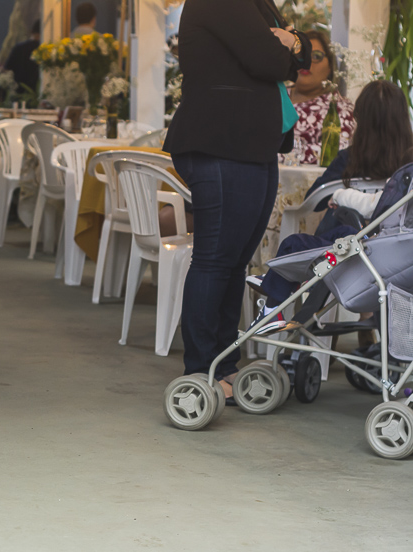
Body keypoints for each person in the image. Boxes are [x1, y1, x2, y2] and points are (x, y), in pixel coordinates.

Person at [162, 0, 311, 401]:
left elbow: (301, 56)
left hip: (251, 142)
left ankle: (225, 363)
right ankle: (202, 370)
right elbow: (269, 60)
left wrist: (292, 42)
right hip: (220, 140)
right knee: (215, 260)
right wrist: (287, 45)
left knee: (234, 262)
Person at [249, 80, 413, 331]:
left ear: (361, 120)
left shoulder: (350, 159)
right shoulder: (407, 168)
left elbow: (314, 200)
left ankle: (275, 295)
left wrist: (339, 195)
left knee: (301, 241)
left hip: (349, 259)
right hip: (396, 264)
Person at [281, 30, 355, 165]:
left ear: (330, 67)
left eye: (316, 56)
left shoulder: (339, 108)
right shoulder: (275, 95)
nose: (307, 61)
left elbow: (338, 153)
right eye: (300, 54)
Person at [4, 20, 42, 96]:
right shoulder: (43, 50)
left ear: (31, 32)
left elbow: (8, 67)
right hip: (36, 92)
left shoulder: (18, 47)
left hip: (18, 91)